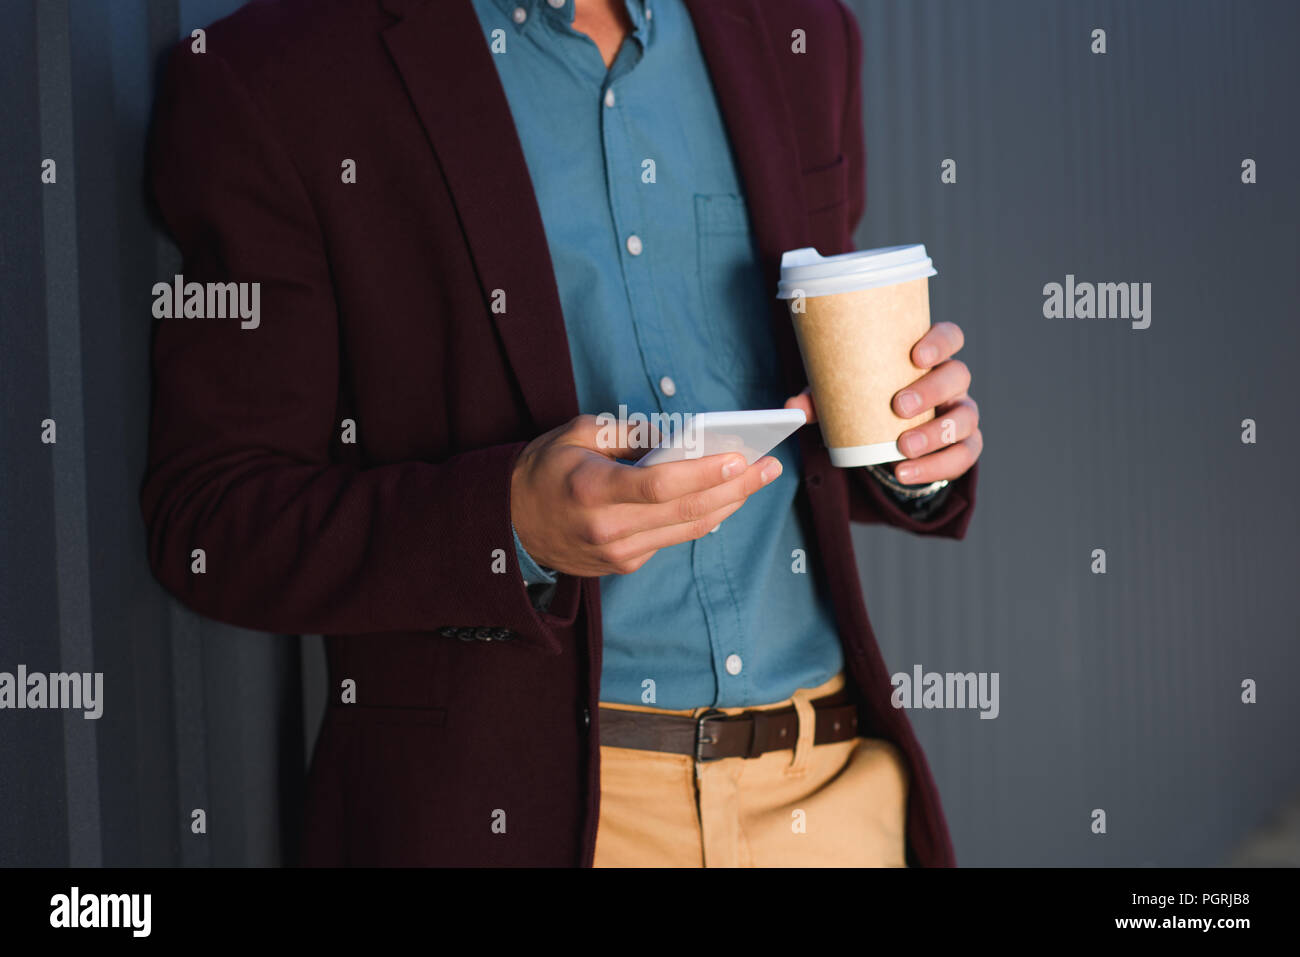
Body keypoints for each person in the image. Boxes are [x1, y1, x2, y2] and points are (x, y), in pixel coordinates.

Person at [143, 0, 983, 867]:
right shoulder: (280, 72)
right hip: (543, 824)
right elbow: (209, 516)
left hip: (838, 805)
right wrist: (510, 529)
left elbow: (821, 404)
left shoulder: (798, 30)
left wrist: (911, 449)